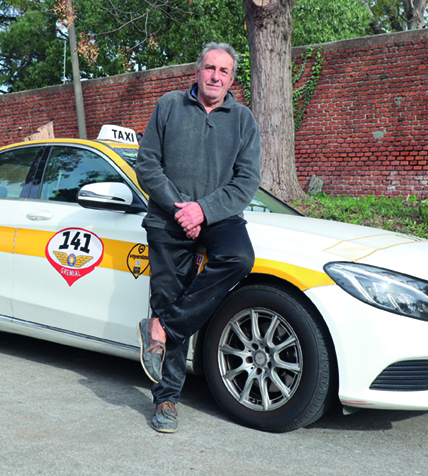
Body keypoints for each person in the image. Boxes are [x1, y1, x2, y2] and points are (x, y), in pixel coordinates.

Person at [134, 42, 261, 433]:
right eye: (209, 68)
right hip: (167, 217)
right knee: (169, 293)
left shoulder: (243, 120)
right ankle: (167, 400)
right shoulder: (169, 106)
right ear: (197, 71)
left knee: (240, 257)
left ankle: (162, 327)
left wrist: (203, 210)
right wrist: (180, 208)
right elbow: (147, 165)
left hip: (218, 215)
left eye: (223, 71)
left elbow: (247, 181)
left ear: (232, 79)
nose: (215, 76)